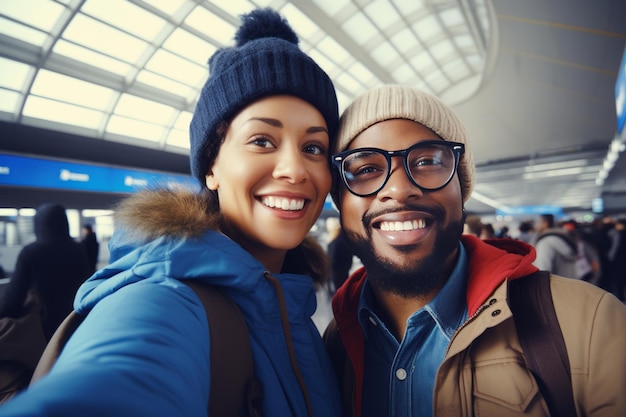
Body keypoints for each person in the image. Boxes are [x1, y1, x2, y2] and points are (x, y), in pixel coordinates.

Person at [0, 8, 342, 417]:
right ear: (212, 166)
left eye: (314, 147)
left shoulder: (293, 301)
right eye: (262, 141)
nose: (295, 168)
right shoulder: (167, 295)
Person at [324, 84, 626, 417]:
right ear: (341, 201)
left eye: (426, 161)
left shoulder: (591, 324)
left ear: (462, 188)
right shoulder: (335, 342)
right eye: (366, 169)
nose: (399, 189)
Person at [0, 203, 89, 341]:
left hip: (44, 323)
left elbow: (15, 294)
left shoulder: (31, 252)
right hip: (75, 318)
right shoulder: (77, 250)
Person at [532, 213, 577, 279]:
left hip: (554, 287)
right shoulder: (564, 238)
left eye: (537, 222)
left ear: (545, 224)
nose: (535, 225)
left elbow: (542, 270)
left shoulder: (545, 243)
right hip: (572, 283)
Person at [326, 217, 354, 294]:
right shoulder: (336, 238)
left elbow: (333, 257)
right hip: (338, 271)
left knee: (340, 293)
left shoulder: (338, 240)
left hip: (338, 272)